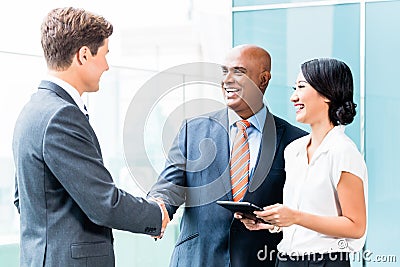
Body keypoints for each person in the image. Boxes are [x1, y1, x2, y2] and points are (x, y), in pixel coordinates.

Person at [12, 7, 169, 267]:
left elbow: (23, 198)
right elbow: (104, 203)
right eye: (105, 54)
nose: (107, 66)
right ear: (83, 55)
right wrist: (155, 215)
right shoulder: (62, 116)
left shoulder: (33, 110)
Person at [149, 44, 307, 267]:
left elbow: (304, 211)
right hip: (198, 259)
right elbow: (169, 186)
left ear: (263, 79)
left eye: (239, 72)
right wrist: (158, 208)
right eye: (225, 72)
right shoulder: (192, 131)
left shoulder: (297, 141)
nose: (227, 80)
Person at [236, 58, 368, 266]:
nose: (293, 97)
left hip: (325, 261)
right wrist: (271, 222)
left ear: (326, 93)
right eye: (294, 88)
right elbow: (305, 215)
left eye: (301, 87)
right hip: (286, 260)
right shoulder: (294, 151)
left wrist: (296, 217)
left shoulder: (343, 152)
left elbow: (355, 226)